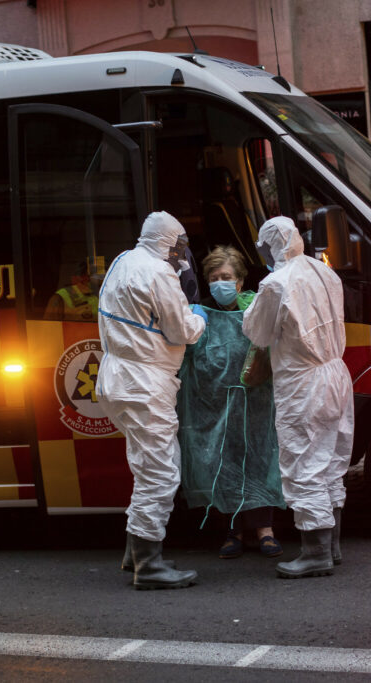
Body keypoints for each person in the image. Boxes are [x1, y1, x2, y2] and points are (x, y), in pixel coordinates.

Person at [96, 211, 208, 590]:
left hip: (116, 377)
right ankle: (149, 565)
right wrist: (199, 318)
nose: (181, 253)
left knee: (147, 466)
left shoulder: (123, 260)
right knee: (161, 471)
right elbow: (180, 331)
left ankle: (135, 553)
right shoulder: (160, 273)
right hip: (145, 381)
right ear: (167, 242)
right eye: (179, 245)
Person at [241, 216, 354, 579]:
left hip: (304, 383)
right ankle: (332, 547)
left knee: (304, 465)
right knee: (331, 462)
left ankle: (315, 553)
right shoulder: (326, 272)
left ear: (270, 245)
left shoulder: (276, 283)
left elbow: (257, 331)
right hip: (336, 373)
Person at [178, 245, 284, 560]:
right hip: (215, 405)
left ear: (239, 282)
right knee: (225, 463)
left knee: (260, 459)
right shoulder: (201, 314)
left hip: (257, 402)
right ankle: (233, 532)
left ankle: (265, 530)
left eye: (226, 277)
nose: (220, 283)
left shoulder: (255, 308)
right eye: (214, 277)